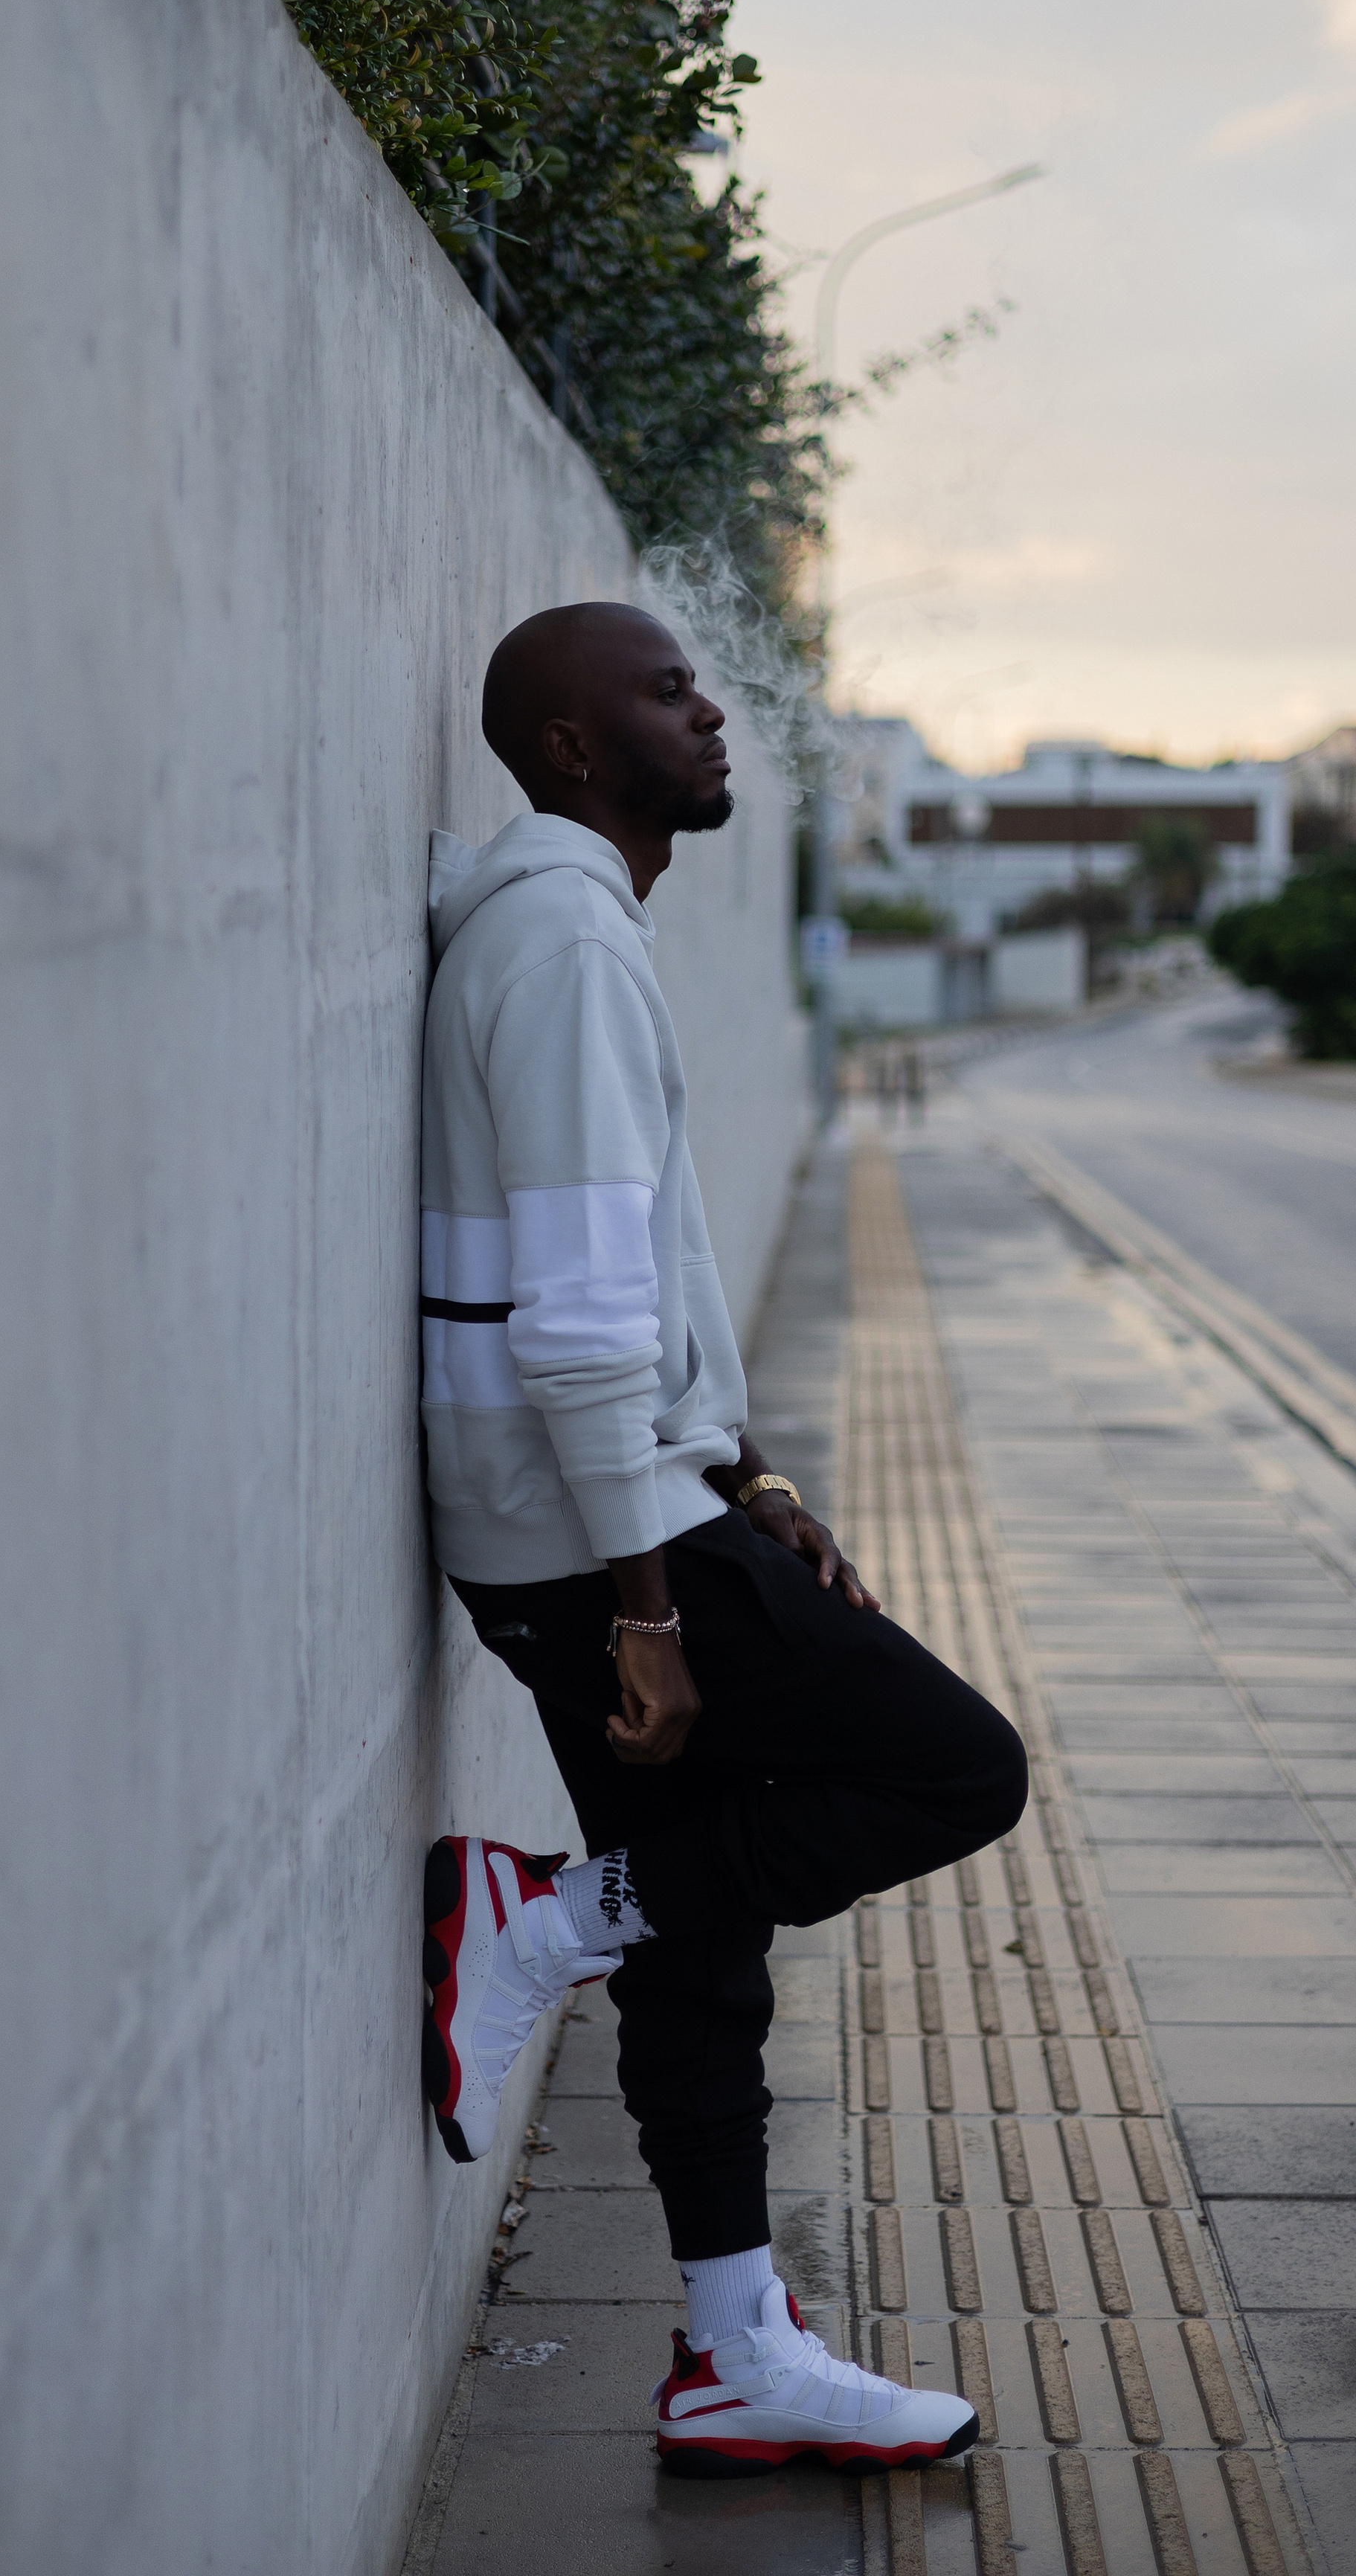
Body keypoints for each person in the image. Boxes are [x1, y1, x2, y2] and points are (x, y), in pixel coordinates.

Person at [417, 601, 1028, 2480]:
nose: (712, 714)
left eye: (703, 683)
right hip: (584, 1523)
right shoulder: (564, 949)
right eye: (666, 693)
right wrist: (653, 1607)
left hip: (598, 1501)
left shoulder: (574, 931)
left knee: (705, 1939)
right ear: (571, 749)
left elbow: (632, 1276)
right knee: (950, 1766)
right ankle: (537, 1916)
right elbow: (584, 1322)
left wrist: (747, 1470)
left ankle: (728, 2352)